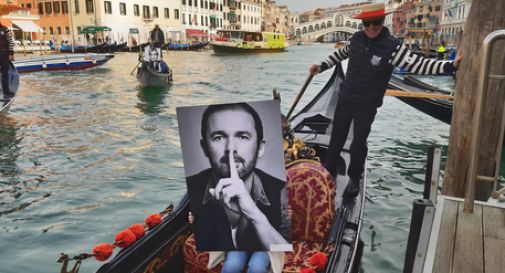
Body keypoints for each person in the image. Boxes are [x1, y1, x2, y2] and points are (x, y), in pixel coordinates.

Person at [308, 3, 462, 199]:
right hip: (346, 98)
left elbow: (418, 63)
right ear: (362, 23)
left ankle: (354, 178)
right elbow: (339, 55)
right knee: (336, 138)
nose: (372, 27)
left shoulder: (392, 46)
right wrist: (321, 66)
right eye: (367, 22)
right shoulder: (355, 39)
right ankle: (328, 173)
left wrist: (449, 66)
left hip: (367, 104)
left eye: (376, 22)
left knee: (357, 144)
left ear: (382, 21)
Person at [186, 103, 291, 251]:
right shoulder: (191, 188)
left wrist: (254, 216)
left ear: (260, 148)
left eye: (242, 136)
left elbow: (287, 257)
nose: (230, 148)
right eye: (219, 137)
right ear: (205, 148)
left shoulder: (281, 191)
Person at [0, 22, 14, 98]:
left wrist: (11, 54)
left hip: (4, 54)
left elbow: (10, 42)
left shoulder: (5, 29)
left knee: (5, 73)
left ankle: (6, 91)